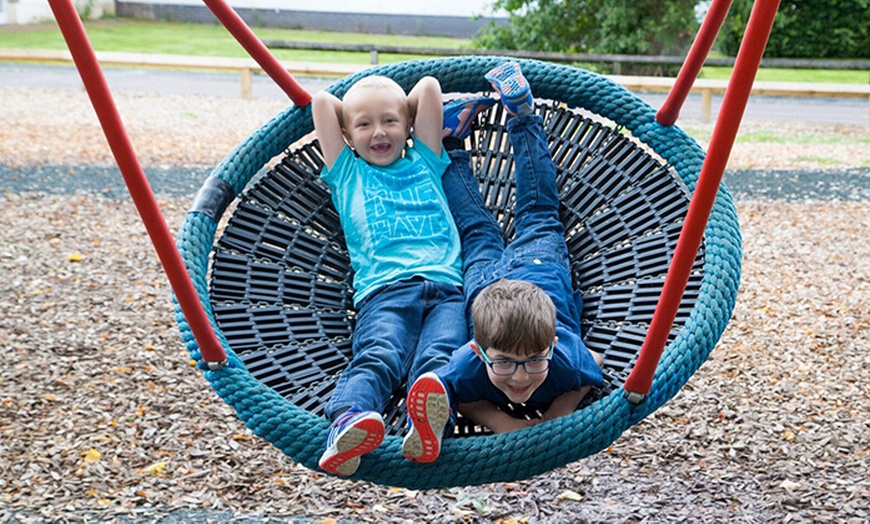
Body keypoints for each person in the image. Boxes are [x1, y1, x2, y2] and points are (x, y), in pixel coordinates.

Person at [404, 62, 605, 459]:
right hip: (534, 267)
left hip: (504, 281)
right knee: (536, 211)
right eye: (506, 363)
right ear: (478, 350)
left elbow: (591, 365)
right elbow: (455, 395)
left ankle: (456, 141)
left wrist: (555, 413)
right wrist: (504, 421)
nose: (520, 376)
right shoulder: (472, 362)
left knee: (482, 230)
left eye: (533, 360)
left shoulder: (558, 357)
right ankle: (515, 116)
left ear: (552, 343)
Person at [311, 74, 494, 476]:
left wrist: (402, 114)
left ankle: (425, 426)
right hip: (385, 291)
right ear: (346, 133)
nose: (379, 132)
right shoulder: (347, 174)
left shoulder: (425, 159)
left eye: (390, 122)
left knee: (439, 359)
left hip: (447, 289)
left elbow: (429, 88)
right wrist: (358, 114)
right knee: (379, 355)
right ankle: (349, 421)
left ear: (408, 126)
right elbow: (322, 102)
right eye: (364, 125)